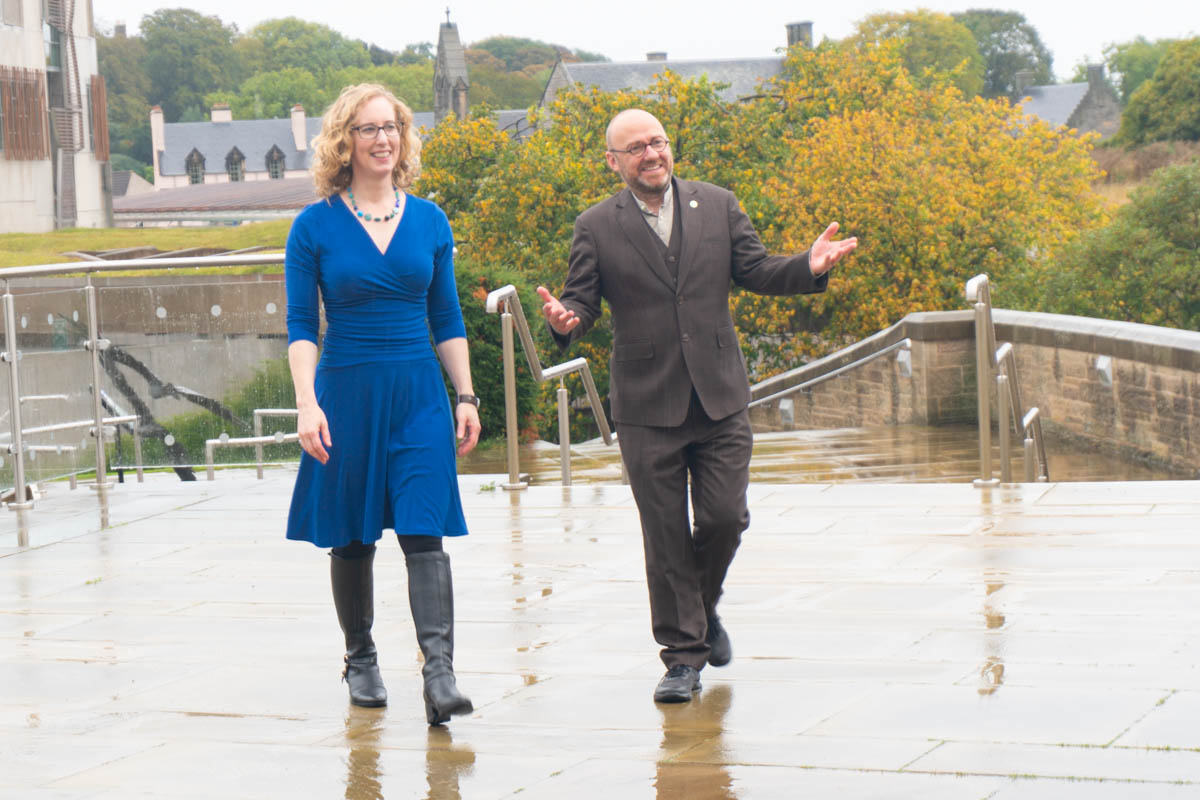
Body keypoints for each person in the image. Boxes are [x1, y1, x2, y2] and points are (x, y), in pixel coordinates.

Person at [537, 108, 856, 703]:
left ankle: (702, 612)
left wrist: (807, 268)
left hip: (720, 398)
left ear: (669, 147)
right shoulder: (596, 226)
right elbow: (580, 301)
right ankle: (682, 658)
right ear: (614, 161)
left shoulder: (717, 204)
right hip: (645, 405)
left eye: (656, 142)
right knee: (664, 537)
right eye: (635, 148)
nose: (650, 153)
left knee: (723, 519)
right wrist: (566, 319)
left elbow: (756, 270)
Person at [284, 83, 480, 725]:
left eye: (391, 126)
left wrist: (466, 394)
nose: (382, 138)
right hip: (345, 391)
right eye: (368, 129)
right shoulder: (313, 226)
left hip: (417, 392)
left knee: (426, 530)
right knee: (353, 534)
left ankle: (440, 673)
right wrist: (307, 404)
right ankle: (361, 657)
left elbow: (446, 315)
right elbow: (300, 326)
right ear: (345, 141)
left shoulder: (430, 220)